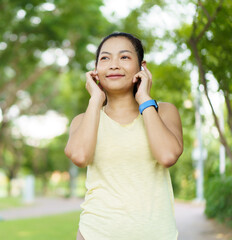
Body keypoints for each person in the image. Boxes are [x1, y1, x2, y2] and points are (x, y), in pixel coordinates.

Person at [64, 32, 183, 240]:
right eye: (105, 58)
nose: (113, 65)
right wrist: (95, 100)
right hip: (94, 234)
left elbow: (167, 156)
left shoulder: (163, 112)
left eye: (125, 57)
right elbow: (80, 157)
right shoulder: (83, 120)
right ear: (95, 70)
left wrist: (144, 98)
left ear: (142, 67)